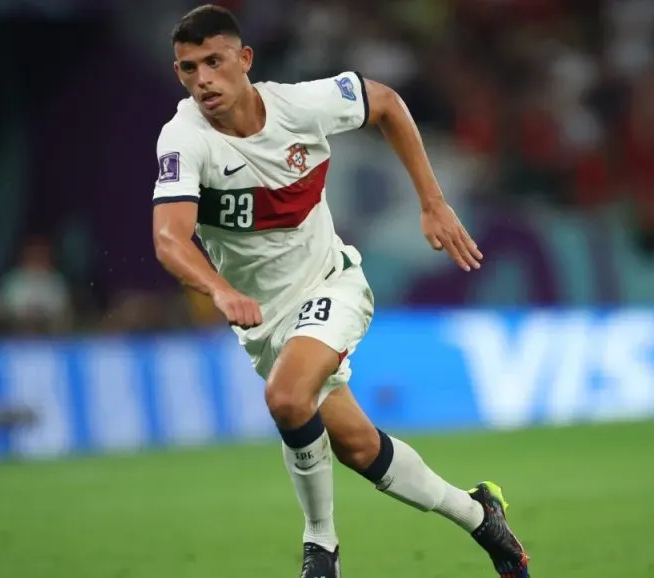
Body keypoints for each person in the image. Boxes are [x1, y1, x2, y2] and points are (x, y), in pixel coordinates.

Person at [150, 5, 530, 578]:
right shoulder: (184, 139)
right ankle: (480, 516)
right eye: (187, 68)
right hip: (264, 321)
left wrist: (432, 201)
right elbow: (168, 239)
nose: (202, 80)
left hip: (334, 284)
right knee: (357, 447)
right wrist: (219, 289)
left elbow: (387, 104)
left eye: (214, 62)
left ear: (244, 60)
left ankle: (320, 548)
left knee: (285, 399)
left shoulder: (302, 105)